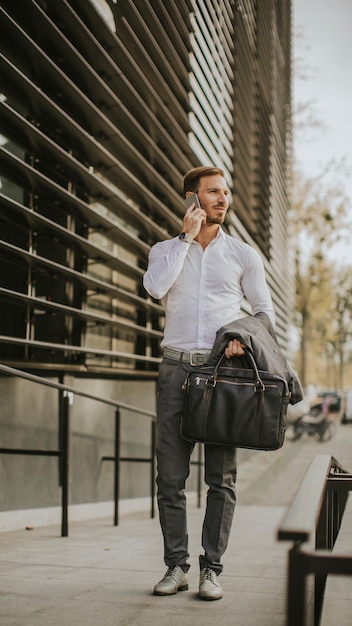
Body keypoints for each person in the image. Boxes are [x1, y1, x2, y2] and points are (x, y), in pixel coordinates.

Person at [143, 166, 275, 600]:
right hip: (176, 372)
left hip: (223, 375)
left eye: (225, 192)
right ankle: (176, 566)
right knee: (170, 479)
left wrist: (242, 337)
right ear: (192, 199)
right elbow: (154, 287)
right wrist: (184, 238)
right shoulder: (165, 249)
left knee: (222, 480)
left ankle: (211, 570)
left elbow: (263, 313)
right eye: (213, 192)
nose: (223, 199)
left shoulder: (243, 254)